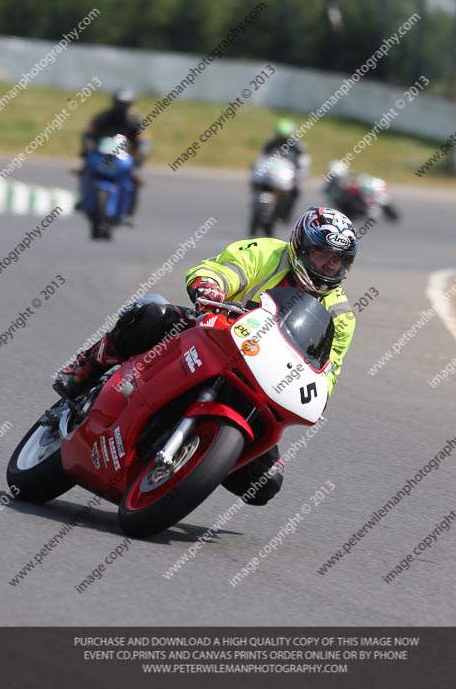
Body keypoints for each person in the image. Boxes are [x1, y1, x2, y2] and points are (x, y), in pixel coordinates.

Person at [60, 207, 357, 505]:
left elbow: (328, 372)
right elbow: (223, 270)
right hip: (214, 333)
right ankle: (88, 364)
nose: (328, 266)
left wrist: (316, 395)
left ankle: (200, 459)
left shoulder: (341, 315)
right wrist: (211, 286)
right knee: (154, 315)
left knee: (266, 483)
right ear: (300, 246)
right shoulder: (266, 252)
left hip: (262, 377)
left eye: (337, 261)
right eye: (321, 254)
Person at [78, 89, 150, 220]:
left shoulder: (136, 120)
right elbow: (88, 134)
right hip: (103, 154)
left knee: (135, 178)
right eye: (118, 104)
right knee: (85, 170)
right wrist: (86, 149)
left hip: (126, 157)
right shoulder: (104, 116)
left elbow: (144, 141)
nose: (121, 108)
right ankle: (83, 199)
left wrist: (140, 156)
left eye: (124, 104)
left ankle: (129, 213)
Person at [257, 119, 311, 221]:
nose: (282, 139)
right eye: (280, 136)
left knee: (296, 190)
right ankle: (256, 205)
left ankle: (286, 213)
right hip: (271, 173)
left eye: (284, 137)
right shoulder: (271, 144)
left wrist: (301, 172)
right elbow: (262, 158)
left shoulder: (298, 147)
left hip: (288, 173)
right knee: (258, 183)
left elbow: (304, 161)